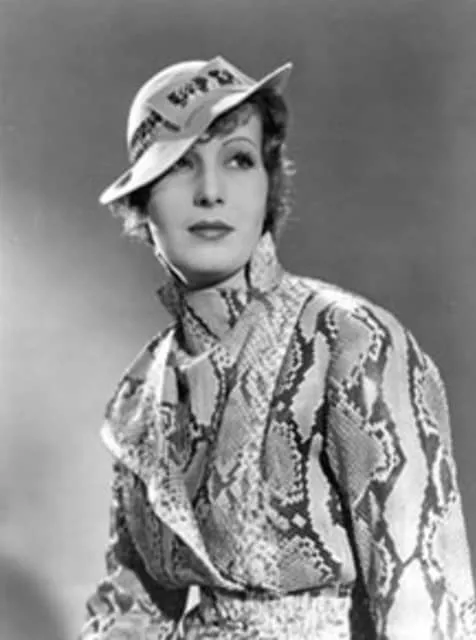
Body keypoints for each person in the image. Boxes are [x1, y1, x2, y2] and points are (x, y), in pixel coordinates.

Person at [79, 55, 476, 639]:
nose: (210, 192)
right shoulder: (139, 398)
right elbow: (133, 606)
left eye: (238, 160)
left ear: (269, 186)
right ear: (140, 202)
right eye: (180, 165)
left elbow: (427, 605)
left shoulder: (351, 344)